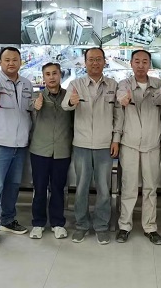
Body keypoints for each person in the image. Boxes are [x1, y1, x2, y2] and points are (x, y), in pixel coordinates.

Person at [61, 47, 123, 245]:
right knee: (81, 187)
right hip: (82, 144)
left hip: (105, 145)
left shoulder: (113, 85)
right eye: (91, 59)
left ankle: (101, 226)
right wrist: (72, 102)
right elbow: (65, 106)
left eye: (98, 59)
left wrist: (116, 139)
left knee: (104, 188)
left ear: (104, 61)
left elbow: (118, 115)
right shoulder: (76, 84)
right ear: (85, 62)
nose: (95, 63)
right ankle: (81, 225)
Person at [115, 50, 161, 245]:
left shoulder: (158, 85)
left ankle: (150, 227)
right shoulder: (124, 84)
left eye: (144, 61)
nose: (140, 65)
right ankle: (124, 225)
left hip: (152, 144)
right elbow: (121, 100)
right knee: (128, 187)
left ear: (149, 64)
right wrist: (124, 99)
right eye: (137, 61)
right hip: (129, 144)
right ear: (131, 63)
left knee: (150, 188)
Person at [0, 47, 33, 248]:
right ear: (0, 62)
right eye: (7, 60)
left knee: (13, 185)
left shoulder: (27, 83)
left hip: (20, 144)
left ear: (20, 62)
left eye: (15, 59)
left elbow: (28, 109)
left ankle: (8, 220)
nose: (11, 63)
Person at [28, 62, 73, 240]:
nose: (52, 77)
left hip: (62, 150)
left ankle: (57, 223)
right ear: (43, 77)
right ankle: (38, 223)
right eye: (48, 74)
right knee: (39, 188)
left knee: (58, 188)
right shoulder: (36, 96)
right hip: (40, 150)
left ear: (60, 75)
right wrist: (35, 107)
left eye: (55, 73)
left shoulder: (69, 97)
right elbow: (30, 110)